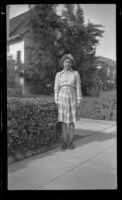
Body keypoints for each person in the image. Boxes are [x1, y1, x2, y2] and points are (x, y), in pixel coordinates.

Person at [54, 53, 82, 150]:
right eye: (66, 62)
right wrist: (56, 100)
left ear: (71, 63)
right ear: (63, 63)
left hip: (72, 97)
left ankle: (71, 142)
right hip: (62, 98)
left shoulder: (75, 74)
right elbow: (56, 88)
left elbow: (78, 87)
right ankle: (65, 142)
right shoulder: (58, 74)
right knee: (63, 122)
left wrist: (79, 100)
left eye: (69, 62)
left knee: (70, 122)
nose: (68, 64)